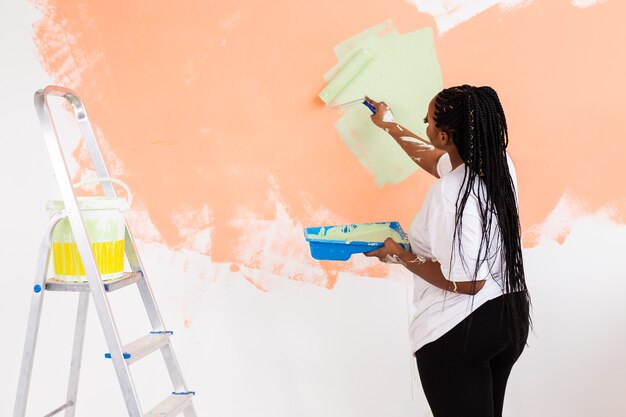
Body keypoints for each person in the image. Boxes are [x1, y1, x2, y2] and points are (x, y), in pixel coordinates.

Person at [363, 85, 531, 417]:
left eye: (428, 122)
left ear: (444, 137)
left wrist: (399, 254)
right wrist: (390, 125)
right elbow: (435, 159)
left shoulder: (448, 196)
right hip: (508, 317)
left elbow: (469, 283)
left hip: (460, 331)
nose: (425, 125)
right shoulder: (498, 165)